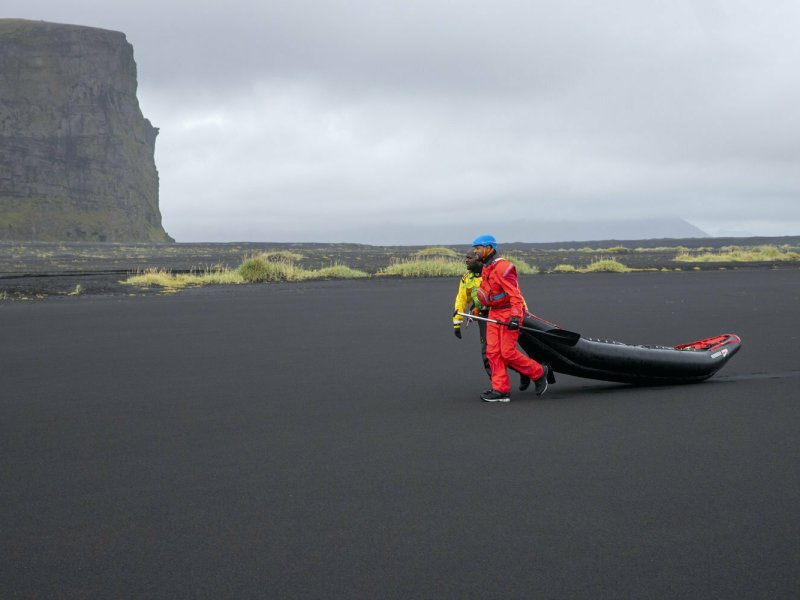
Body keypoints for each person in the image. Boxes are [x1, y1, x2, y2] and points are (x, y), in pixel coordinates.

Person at [472, 234, 550, 402]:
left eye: (478, 248)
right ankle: (500, 390)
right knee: (492, 352)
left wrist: (515, 317)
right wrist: (476, 307)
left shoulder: (504, 267)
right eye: (475, 248)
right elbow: (486, 293)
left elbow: (515, 295)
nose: (475, 251)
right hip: (494, 312)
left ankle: (539, 372)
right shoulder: (486, 268)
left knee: (507, 352)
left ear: (489, 248)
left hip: (508, 312)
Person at [453, 248, 531, 391]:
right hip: (484, 317)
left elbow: (514, 292)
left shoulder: (493, 272)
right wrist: (457, 322)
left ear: (479, 259)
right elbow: (462, 299)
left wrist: (522, 312)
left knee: (506, 352)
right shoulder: (467, 278)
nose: (466, 261)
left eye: (469, 258)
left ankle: (526, 371)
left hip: (503, 313)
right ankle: (497, 386)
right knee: (488, 353)